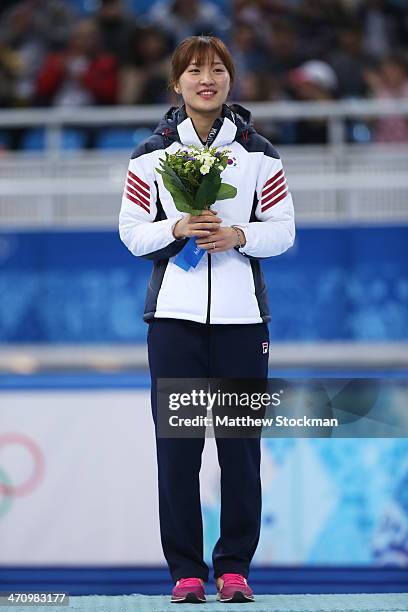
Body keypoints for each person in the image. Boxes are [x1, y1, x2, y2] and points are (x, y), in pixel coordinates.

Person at [118, 35, 295, 603]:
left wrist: (238, 234)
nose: (206, 78)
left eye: (217, 69)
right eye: (193, 70)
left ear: (229, 81)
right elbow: (131, 230)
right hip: (174, 321)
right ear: (177, 83)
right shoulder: (150, 154)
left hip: (245, 323)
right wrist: (176, 230)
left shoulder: (260, 154)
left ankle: (236, 568)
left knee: (240, 450)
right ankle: (187, 572)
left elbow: (284, 229)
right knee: (178, 448)